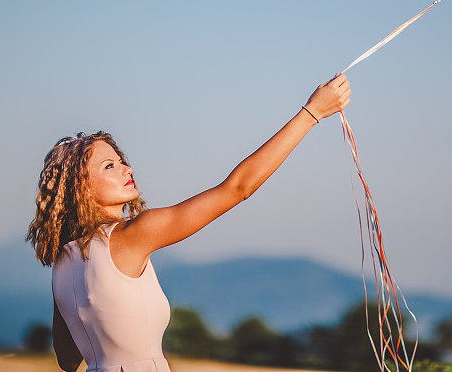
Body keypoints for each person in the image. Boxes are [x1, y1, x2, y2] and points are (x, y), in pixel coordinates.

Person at [26, 74, 351, 371]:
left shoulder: (62, 263)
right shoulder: (134, 234)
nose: (127, 169)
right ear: (80, 186)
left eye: (122, 160)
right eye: (110, 166)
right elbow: (237, 188)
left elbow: (68, 360)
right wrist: (312, 113)